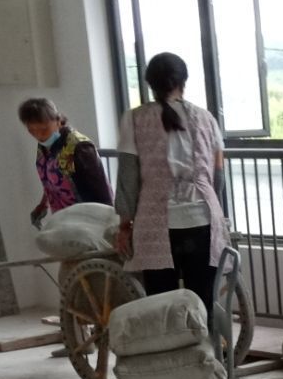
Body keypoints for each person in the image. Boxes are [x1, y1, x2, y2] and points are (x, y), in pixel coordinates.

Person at [115, 52, 227, 308]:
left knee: (161, 305)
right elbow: (218, 175)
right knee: (202, 302)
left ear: (150, 83)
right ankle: (205, 335)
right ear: (183, 81)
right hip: (202, 220)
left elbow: (128, 176)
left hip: (155, 224)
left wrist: (124, 225)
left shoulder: (133, 119)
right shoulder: (207, 118)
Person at [18, 98, 112, 226]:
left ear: (58, 121)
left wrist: (109, 224)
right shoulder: (44, 147)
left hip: (88, 220)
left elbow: (101, 191)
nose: (39, 136)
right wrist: (43, 204)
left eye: (44, 129)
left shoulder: (79, 147)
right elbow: (52, 180)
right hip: (63, 220)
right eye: (32, 131)